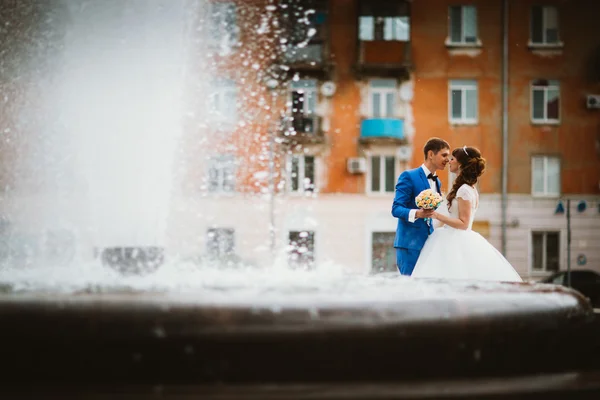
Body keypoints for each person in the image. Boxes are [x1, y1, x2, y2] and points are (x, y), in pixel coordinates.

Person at [411, 146, 522, 282]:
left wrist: (436, 215)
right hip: (453, 236)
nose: (449, 162)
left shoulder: (464, 190)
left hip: (455, 239)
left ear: (461, 164)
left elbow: (463, 223)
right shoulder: (468, 188)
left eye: (452, 159)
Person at [391, 137, 450, 275]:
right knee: (409, 290)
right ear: (431, 154)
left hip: (428, 244)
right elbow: (396, 209)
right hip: (409, 245)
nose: (447, 159)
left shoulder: (438, 182)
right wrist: (418, 213)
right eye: (444, 155)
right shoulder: (408, 176)